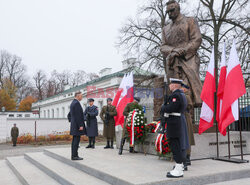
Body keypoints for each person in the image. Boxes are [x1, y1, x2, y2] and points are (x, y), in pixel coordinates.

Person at [160, 0, 203, 108]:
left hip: (188, 60)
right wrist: (173, 50)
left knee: (187, 93)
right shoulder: (165, 29)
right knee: (174, 95)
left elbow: (197, 39)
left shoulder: (190, 21)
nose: (170, 13)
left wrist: (184, 50)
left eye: (172, 10)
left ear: (178, 9)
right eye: (168, 12)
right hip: (172, 63)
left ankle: (187, 119)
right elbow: (163, 46)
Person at [161, 78, 189, 178]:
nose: (169, 85)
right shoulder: (181, 94)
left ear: (175, 85)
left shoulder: (176, 95)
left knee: (175, 145)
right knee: (176, 144)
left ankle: (178, 169)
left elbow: (170, 108)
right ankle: (179, 167)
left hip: (174, 123)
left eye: (171, 84)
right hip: (176, 122)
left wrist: (163, 107)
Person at [181, 83, 195, 166]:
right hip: (184, 117)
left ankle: (187, 157)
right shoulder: (184, 95)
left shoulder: (186, 96)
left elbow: (189, 106)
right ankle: (186, 157)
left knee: (187, 137)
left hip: (186, 118)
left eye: (182, 87)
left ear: (185, 89)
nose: (181, 89)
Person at [69, 91, 86, 160]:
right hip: (77, 126)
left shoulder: (73, 103)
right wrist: (80, 125)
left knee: (74, 141)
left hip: (74, 125)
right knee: (76, 141)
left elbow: (69, 115)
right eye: (81, 96)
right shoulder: (76, 103)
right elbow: (78, 116)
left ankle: (74, 155)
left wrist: (71, 121)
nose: (82, 97)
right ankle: (74, 156)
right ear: (77, 96)